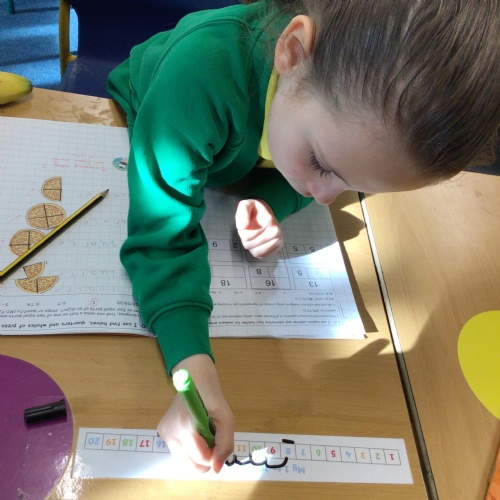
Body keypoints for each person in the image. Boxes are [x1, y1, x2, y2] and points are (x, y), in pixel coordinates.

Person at [107, 0, 500, 473]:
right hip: (141, 105)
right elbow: (159, 236)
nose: (324, 198)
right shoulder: (195, 79)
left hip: (237, 151)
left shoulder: (334, 116)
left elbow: (322, 170)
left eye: (352, 185)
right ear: (291, 53)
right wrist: (193, 366)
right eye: (320, 165)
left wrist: (273, 197)